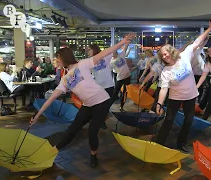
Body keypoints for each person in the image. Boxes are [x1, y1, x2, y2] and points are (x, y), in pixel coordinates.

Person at [29, 33, 135, 168]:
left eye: (58, 59)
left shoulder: (82, 64)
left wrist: (123, 42)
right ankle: (52, 151)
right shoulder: (65, 79)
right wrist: (37, 115)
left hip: (102, 101)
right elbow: (52, 97)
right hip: (88, 105)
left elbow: (104, 53)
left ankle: (93, 155)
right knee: (72, 129)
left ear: (64, 58)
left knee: (92, 131)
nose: (57, 61)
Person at [155, 19, 211, 153]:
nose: (164, 56)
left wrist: (209, 29)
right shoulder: (166, 71)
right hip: (175, 97)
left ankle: (181, 143)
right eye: (162, 55)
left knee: (188, 121)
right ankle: (159, 143)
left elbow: (197, 41)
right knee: (169, 120)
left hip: (190, 96)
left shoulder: (184, 55)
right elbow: (164, 88)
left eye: (166, 53)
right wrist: (159, 104)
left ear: (171, 51)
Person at [88, 44, 115, 128]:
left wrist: (125, 43)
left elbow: (112, 50)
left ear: (94, 49)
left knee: (105, 106)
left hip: (109, 85)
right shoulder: (90, 61)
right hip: (98, 87)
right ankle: (98, 120)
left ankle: (102, 121)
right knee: (98, 105)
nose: (87, 52)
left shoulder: (104, 57)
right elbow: (89, 72)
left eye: (89, 49)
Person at [110, 43, 131, 112]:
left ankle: (121, 107)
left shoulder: (121, 55)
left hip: (127, 76)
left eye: (113, 51)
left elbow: (126, 47)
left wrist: (128, 41)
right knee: (115, 93)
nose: (112, 53)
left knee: (125, 93)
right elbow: (109, 70)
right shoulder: (111, 62)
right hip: (120, 78)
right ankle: (107, 107)